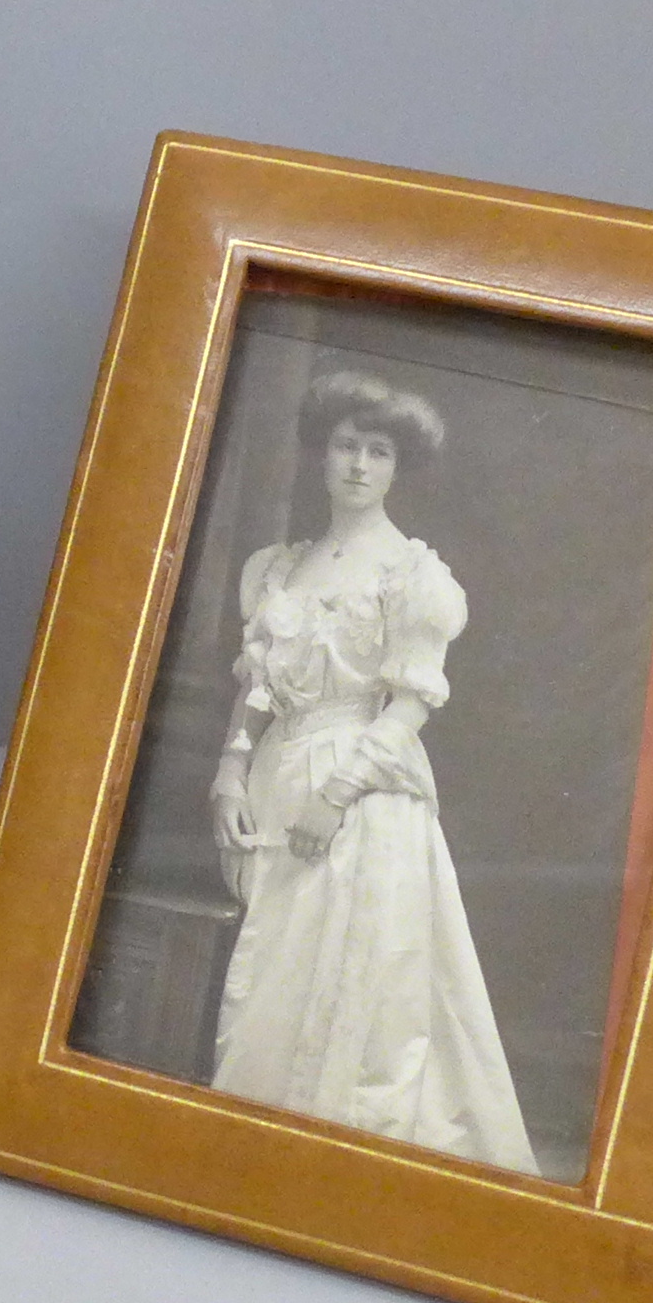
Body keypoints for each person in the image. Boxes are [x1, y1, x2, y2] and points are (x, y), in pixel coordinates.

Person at [206, 369, 537, 1173]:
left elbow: (410, 703)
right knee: (272, 970)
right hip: (277, 780)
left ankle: (337, 1154)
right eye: (347, 445)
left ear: (397, 468)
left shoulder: (411, 575)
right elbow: (260, 687)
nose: (358, 464)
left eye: (378, 451)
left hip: (362, 788)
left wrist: (336, 795)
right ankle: (261, 1141)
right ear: (323, 453)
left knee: (353, 972)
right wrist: (228, 769)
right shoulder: (279, 569)